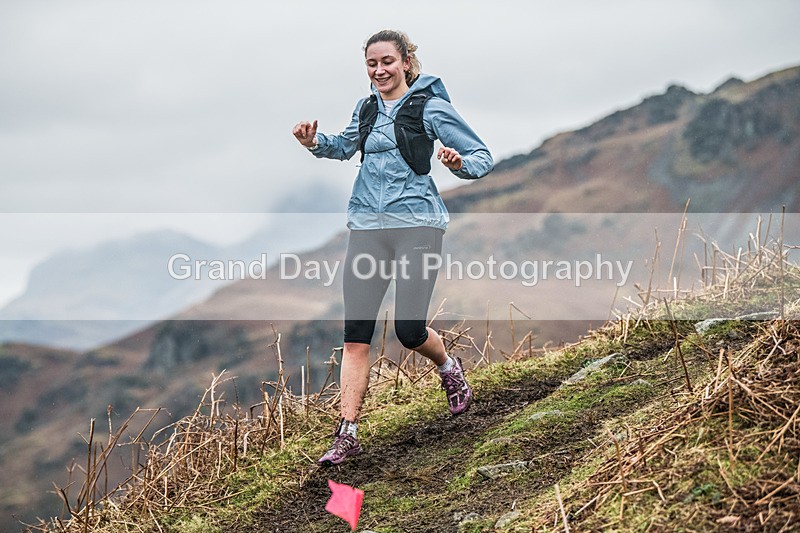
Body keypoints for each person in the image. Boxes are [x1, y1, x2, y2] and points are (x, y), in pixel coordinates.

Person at [292, 29, 493, 466]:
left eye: (387, 61)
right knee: (355, 337)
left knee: (409, 330)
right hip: (367, 227)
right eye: (371, 64)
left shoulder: (431, 106)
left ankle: (448, 368)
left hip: (418, 226)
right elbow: (345, 145)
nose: (379, 70)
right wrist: (313, 143)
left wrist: (458, 165)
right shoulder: (365, 108)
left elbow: (481, 156)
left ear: (405, 62)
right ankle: (346, 433)